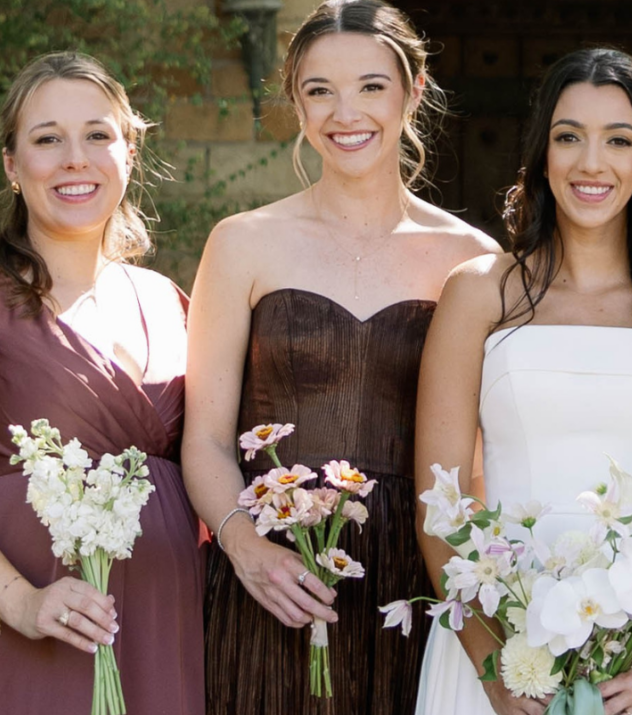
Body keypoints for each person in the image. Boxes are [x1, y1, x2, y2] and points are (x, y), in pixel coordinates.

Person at [411, 48, 632, 715]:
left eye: (618, 140)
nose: (591, 162)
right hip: (505, 638)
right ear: (542, 153)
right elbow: (440, 499)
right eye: (569, 136)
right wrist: (495, 669)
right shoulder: (482, 293)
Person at [185, 2, 496, 712]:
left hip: (417, 582)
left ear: (414, 92)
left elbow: (478, 463)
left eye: (370, 86)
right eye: (319, 90)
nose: (344, 112)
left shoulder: (474, 261)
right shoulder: (241, 243)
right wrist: (245, 546)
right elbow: (204, 436)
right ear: (296, 103)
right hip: (272, 577)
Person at [0, 52, 203, 715]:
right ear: (12, 165)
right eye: (46, 139)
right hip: (16, 637)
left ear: (129, 150)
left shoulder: (172, 303)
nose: (75, 157)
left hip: (158, 628)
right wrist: (22, 601)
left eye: (97, 134)